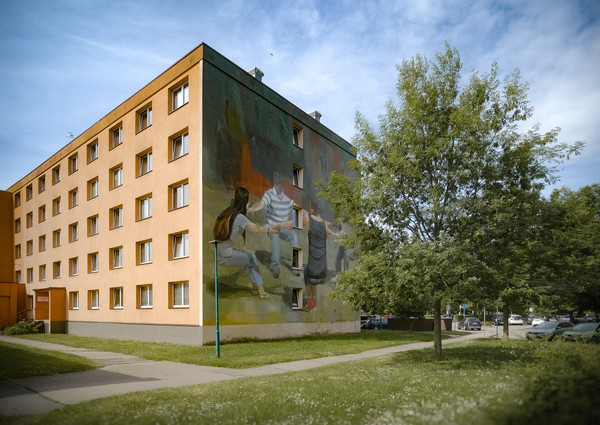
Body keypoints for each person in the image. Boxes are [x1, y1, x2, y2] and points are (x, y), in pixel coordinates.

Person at [213, 187, 278, 299]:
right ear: (245, 203)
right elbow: (257, 229)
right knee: (252, 258)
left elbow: (238, 218)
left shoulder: (228, 212)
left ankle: (255, 288)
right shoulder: (240, 218)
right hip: (225, 254)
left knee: (249, 258)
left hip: (216, 250)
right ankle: (262, 292)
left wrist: (247, 211)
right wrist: (270, 230)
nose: (248, 204)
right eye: (247, 202)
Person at [248, 172, 299, 278]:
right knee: (275, 235)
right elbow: (261, 204)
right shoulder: (269, 194)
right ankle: (275, 266)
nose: (278, 185)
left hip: (282, 227)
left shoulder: (287, 197)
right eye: (277, 182)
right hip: (270, 225)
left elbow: (297, 208)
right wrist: (253, 208)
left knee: (294, 236)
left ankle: (296, 266)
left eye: (280, 182)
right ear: (274, 183)